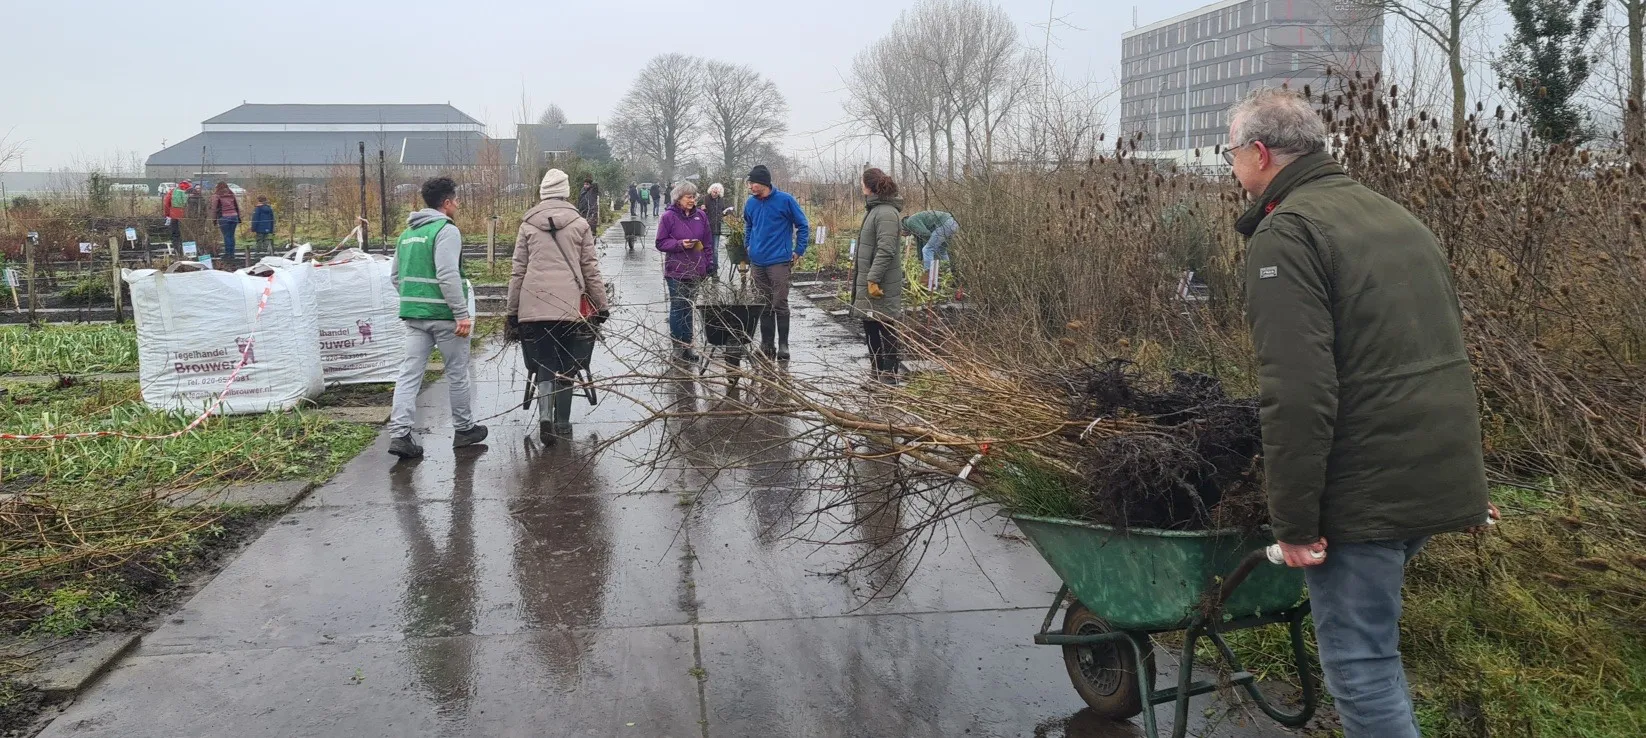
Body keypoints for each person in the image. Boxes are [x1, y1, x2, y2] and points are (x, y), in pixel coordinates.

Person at [1226, 88, 1496, 738]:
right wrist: (1467, 483)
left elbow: (1297, 391)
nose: (1231, 168)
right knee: (1375, 648)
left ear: (1258, 153)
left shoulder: (1287, 232)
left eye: (1229, 154)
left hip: (1365, 488)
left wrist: (1295, 524)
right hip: (1434, 474)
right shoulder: (1394, 218)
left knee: (1362, 667)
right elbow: (1442, 354)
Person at [505, 169, 610, 443]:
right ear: (565, 192)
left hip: (534, 303)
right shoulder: (580, 224)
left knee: (544, 359)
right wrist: (601, 304)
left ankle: (544, 416)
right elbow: (590, 269)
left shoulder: (527, 224)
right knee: (566, 360)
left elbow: (518, 270)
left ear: (542, 193)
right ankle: (562, 422)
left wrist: (512, 309)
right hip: (568, 304)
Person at [386, 176, 488, 458]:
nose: (458, 204)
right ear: (446, 203)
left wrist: (415, 300)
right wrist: (461, 314)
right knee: (457, 372)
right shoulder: (446, 230)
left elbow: (395, 276)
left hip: (414, 317)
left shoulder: (407, 234)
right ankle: (464, 430)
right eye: (456, 200)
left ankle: (400, 434)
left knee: (409, 374)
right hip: (446, 317)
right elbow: (447, 273)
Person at [742, 164, 809, 360]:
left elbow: (803, 225)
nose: (750, 186)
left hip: (779, 260)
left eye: (752, 183)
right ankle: (767, 344)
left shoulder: (785, 200)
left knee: (779, 302)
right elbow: (749, 225)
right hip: (758, 261)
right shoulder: (751, 203)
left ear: (763, 183)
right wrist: (748, 245)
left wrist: (799, 250)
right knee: (763, 302)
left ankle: (783, 345)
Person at [851, 168, 903, 382]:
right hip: (871, 279)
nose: (860, 185)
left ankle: (890, 373)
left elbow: (886, 249)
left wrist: (873, 278)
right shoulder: (874, 210)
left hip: (882, 282)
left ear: (869, 186)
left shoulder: (886, 213)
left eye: (862, 182)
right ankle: (876, 370)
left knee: (885, 325)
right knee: (870, 324)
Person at [655, 182, 716, 362]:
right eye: (689, 197)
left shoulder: (701, 216)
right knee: (678, 307)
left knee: (689, 308)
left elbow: (707, 242)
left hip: (696, 269)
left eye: (694, 197)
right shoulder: (668, 217)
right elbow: (660, 243)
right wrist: (679, 244)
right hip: (676, 270)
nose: (692, 200)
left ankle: (688, 346)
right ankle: (677, 346)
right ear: (678, 198)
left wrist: (709, 263)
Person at [902, 210, 959, 292]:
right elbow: (920, 241)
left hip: (944, 225)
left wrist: (926, 256)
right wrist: (921, 258)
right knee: (942, 251)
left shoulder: (910, 222)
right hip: (953, 224)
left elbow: (926, 235)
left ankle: (928, 277)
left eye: (902, 233)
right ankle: (948, 275)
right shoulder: (913, 222)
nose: (903, 236)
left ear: (903, 228)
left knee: (927, 250)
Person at [211, 182, 242, 263]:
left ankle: (228, 254)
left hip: (224, 217)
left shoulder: (216, 195)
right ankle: (232, 253)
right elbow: (236, 206)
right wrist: (239, 217)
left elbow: (214, 208)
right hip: (234, 216)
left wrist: (214, 219)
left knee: (226, 236)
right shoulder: (231, 194)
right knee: (231, 235)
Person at [702, 182, 729, 274]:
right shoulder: (705, 198)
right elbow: (697, 209)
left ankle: (714, 269)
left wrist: (726, 213)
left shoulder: (721, 200)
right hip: (706, 229)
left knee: (715, 250)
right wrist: (702, 209)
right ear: (711, 190)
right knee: (706, 248)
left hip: (717, 228)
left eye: (717, 190)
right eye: (714, 190)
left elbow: (723, 211)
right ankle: (705, 267)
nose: (715, 192)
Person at [162, 180, 192, 245]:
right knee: (188, 234)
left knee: (175, 233)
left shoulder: (173, 191)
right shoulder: (192, 191)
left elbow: (166, 203)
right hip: (189, 215)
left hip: (175, 214)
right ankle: (189, 248)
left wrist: (167, 214)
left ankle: (177, 247)